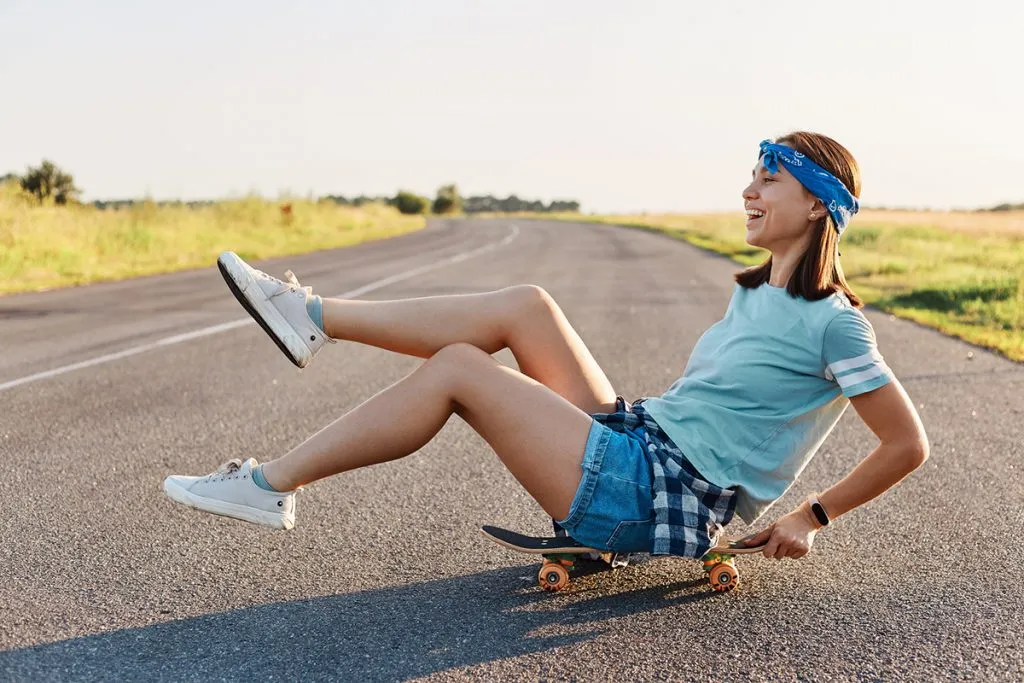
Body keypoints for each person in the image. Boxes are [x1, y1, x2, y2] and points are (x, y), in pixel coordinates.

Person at [163, 131, 930, 561]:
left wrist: (810, 516)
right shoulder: (755, 292)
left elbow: (907, 442)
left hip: (662, 498)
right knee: (529, 306)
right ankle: (313, 315)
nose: (748, 191)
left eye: (769, 178)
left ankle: (269, 483)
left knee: (461, 370)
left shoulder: (834, 323)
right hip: (641, 442)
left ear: (818, 203)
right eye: (751, 175)